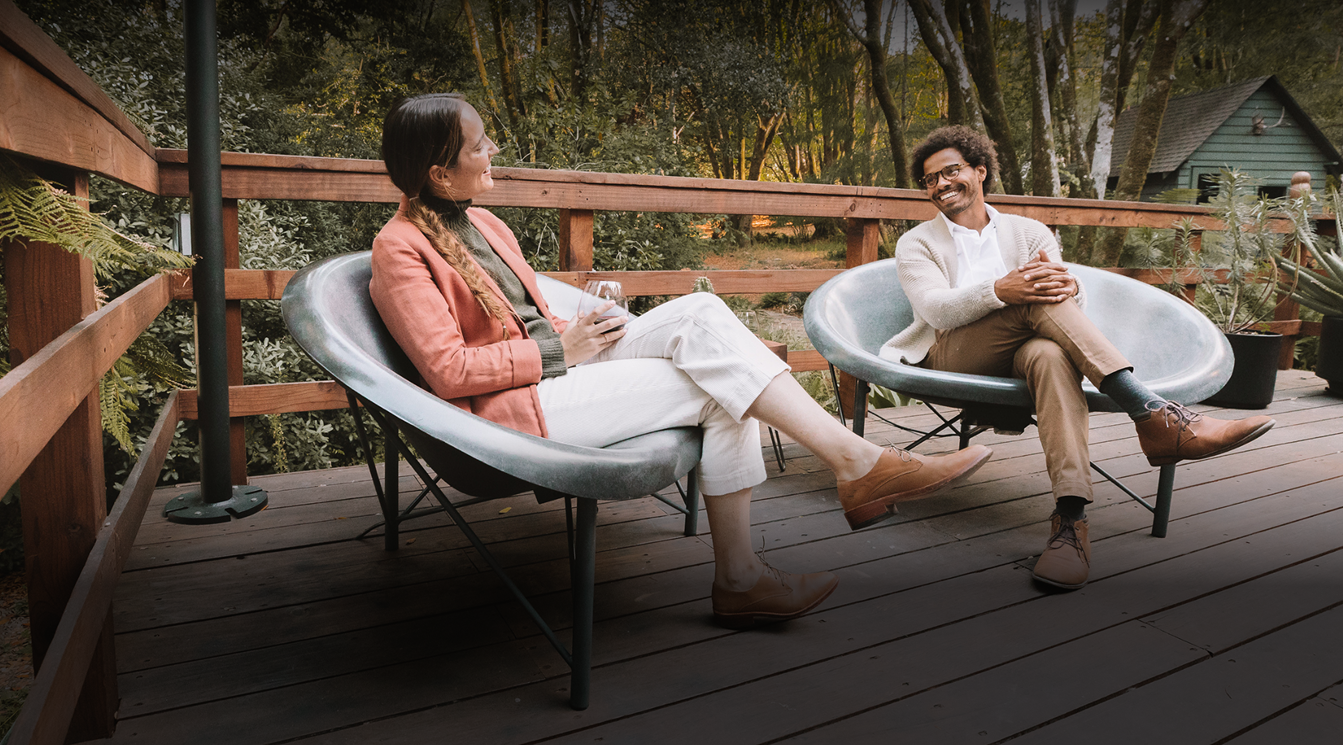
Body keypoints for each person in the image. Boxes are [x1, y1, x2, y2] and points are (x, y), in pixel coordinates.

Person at [369, 94, 994, 629]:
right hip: (509, 414)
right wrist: (561, 348)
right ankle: (821, 501)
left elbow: (524, 318)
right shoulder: (398, 249)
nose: (494, 150)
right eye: (479, 144)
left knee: (700, 315)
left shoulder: (483, 223)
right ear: (440, 173)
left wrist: (582, 332)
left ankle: (831, 492)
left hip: (558, 369)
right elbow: (448, 371)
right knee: (721, 383)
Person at [882, 125, 1276, 590]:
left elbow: (1066, 306)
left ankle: (1070, 522)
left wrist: (1071, 286)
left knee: (1050, 353)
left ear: (980, 171)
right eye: (930, 179)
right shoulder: (917, 242)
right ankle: (1155, 415)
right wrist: (1001, 289)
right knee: (1029, 296)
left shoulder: (1029, 232)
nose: (941, 184)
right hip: (955, 352)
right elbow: (934, 309)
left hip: (1025, 350)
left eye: (951, 171)